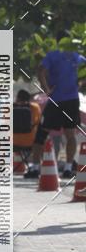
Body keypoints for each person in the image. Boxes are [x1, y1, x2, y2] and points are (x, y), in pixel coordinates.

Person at [24, 31, 86, 179]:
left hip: (64, 100)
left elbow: (41, 71)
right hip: (62, 100)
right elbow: (41, 71)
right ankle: (63, 167)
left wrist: (46, 89)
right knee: (63, 134)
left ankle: (44, 168)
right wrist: (47, 89)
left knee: (48, 134)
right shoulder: (66, 56)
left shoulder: (73, 57)